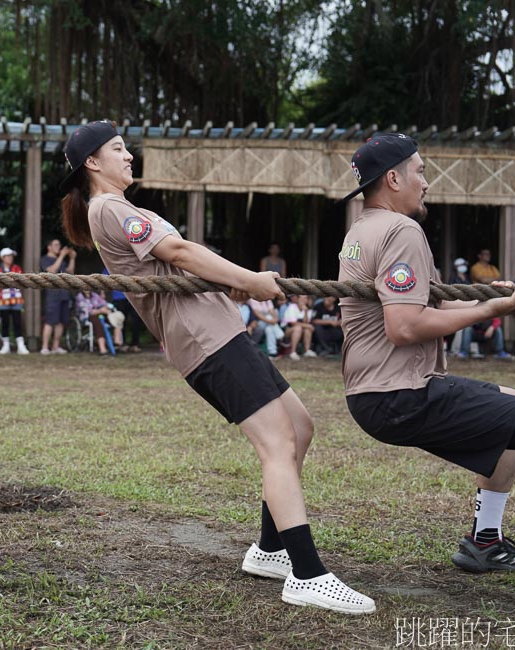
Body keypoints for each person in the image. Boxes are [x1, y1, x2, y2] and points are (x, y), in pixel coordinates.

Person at [62, 119, 374, 614]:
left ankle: (270, 550)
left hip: (216, 331)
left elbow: (179, 265)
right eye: (118, 149)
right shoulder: (111, 208)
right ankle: (308, 574)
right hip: (204, 341)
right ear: (92, 164)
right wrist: (250, 279)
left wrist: (227, 282)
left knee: (300, 426)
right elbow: (180, 251)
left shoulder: (116, 209)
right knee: (277, 441)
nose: (129, 156)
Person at [337, 133, 515, 618]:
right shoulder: (403, 231)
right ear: (393, 179)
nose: (427, 182)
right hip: (400, 394)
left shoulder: (362, 230)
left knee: (511, 400)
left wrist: (502, 296)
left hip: (373, 394)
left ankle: (484, 540)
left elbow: (423, 300)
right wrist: (494, 307)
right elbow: (405, 325)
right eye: (420, 171)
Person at [40, 238, 76, 354]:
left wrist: (72, 258)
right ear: (49, 247)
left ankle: (56, 347)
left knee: (61, 321)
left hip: (64, 294)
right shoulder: (45, 259)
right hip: (52, 295)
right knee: (50, 321)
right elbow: (51, 271)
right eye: (55, 244)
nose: (58, 246)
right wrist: (61, 256)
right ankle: (45, 347)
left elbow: (70, 272)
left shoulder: (60, 260)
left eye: (59, 244)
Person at [0, 248, 30, 355]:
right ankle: (6, 345)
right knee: (5, 323)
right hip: (3, 300)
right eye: (8, 256)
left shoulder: (16, 268)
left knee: (17, 322)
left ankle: (20, 345)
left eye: (11, 256)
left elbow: (19, 281)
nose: (10, 258)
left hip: (16, 299)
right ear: (2, 258)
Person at [75, 290, 117, 355]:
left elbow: (104, 303)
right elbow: (87, 311)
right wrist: (100, 310)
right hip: (87, 316)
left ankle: (117, 341)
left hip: (99, 315)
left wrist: (107, 307)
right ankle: (102, 349)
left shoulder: (94, 295)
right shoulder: (79, 297)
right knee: (98, 324)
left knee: (115, 318)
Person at [281, 296, 316, 360]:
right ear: (297, 299)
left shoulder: (307, 309)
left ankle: (307, 350)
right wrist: (308, 326)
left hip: (300, 332)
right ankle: (292, 352)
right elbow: (293, 323)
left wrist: (305, 311)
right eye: (301, 298)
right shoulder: (292, 307)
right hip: (287, 331)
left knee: (307, 329)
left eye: (305, 298)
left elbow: (306, 323)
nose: (303, 300)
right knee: (298, 328)